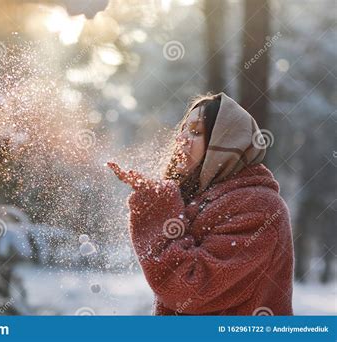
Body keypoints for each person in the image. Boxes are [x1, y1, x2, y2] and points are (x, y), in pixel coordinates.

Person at [107, 92, 294, 315]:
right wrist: (155, 201)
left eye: (195, 132)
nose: (181, 139)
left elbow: (189, 290)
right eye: (182, 130)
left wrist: (159, 210)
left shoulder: (260, 207)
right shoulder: (199, 198)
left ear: (224, 144)